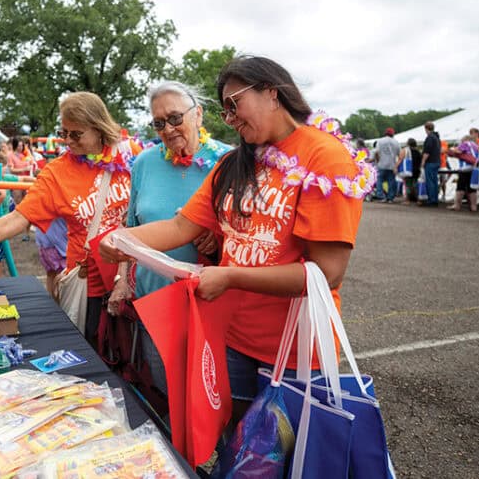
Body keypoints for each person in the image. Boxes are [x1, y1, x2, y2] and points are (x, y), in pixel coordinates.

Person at [99, 56, 371, 424]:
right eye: (225, 111)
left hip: (294, 351)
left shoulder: (324, 157)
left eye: (234, 104)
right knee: (239, 449)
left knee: (288, 458)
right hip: (232, 340)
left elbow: (327, 274)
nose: (230, 118)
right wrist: (122, 239)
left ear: (272, 93)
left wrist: (230, 277)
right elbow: (181, 228)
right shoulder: (235, 164)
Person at [0, 92, 141, 342]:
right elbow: (19, 218)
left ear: (98, 128)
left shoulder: (129, 155)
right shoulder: (57, 173)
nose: (67, 141)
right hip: (91, 287)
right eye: (64, 133)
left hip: (134, 277)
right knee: (96, 356)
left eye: (76, 134)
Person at [124, 80, 232, 394]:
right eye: (159, 123)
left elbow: (248, 233)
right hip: (156, 299)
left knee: (213, 393)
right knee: (166, 387)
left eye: (175, 118)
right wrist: (121, 280)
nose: (168, 129)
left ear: (197, 115)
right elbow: (133, 225)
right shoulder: (144, 163)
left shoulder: (228, 161)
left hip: (212, 301)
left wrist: (218, 238)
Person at [446, 135, 479, 212]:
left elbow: (458, 151)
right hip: (474, 168)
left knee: (460, 187)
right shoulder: (475, 146)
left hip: (465, 168)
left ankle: (457, 205)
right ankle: (473, 206)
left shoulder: (465, 143)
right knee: (471, 188)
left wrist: (451, 150)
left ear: (465, 139)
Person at [373, 127, 400, 202]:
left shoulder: (380, 141)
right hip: (392, 165)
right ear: (393, 134)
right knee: (391, 181)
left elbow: (376, 152)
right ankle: (390, 198)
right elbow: (399, 154)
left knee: (379, 180)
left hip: (382, 164)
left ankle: (381, 196)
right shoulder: (396, 142)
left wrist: (378, 161)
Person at [421, 121, 441, 206]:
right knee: (435, 181)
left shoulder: (430, 138)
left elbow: (427, 151)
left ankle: (431, 200)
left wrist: (423, 162)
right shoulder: (437, 138)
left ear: (426, 128)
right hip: (437, 161)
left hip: (430, 162)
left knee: (430, 182)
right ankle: (435, 199)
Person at [400, 138, 421, 205]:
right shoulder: (418, 152)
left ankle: (407, 200)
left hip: (409, 170)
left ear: (408, 144)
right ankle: (418, 200)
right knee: (415, 185)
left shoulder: (407, 152)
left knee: (408, 186)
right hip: (417, 171)